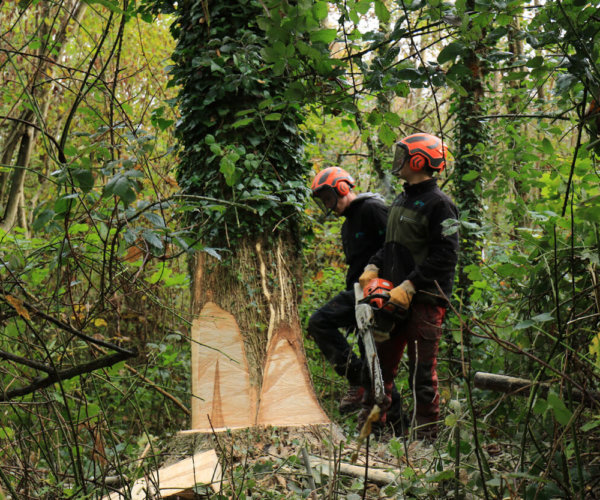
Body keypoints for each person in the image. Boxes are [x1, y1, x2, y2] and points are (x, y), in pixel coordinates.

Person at [359, 133, 459, 439]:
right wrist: (374, 264)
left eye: (403, 155)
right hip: (392, 299)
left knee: (422, 375)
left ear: (419, 161)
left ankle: (425, 442)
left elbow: (445, 255)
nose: (397, 161)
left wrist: (412, 285)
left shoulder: (440, 205)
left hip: (425, 300)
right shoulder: (401, 199)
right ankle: (374, 433)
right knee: (378, 367)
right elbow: (392, 245)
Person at [307, 166, 388, 413]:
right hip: (357, 295)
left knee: (319, 321)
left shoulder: (372, 209)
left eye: (329, 198)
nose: (329, 205)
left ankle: (361, 384)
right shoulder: (347, 225)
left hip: (378, 292)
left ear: (343, 187)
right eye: (324, 202)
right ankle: (361, 384)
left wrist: (381, 276)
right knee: (373, 366)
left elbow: (395, 246)